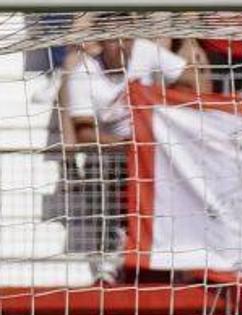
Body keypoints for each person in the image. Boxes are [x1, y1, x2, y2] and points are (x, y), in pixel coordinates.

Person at [64, 36, 198, 284]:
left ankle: (179, 258)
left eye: (128, 39)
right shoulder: (84, 73)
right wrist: (129, 146)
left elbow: (192, 77)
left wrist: (167, 105)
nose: (124, 46)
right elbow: (84, 134)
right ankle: (107, 263)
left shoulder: (146, 52)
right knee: (100, 170)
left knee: (181, 164)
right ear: (102, 43)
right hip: (111, 152)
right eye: (116, 41)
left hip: (151, 145)